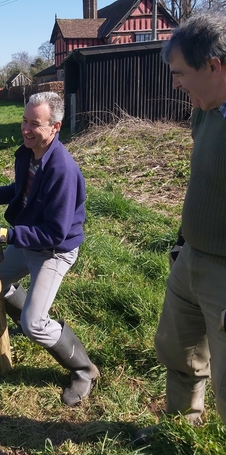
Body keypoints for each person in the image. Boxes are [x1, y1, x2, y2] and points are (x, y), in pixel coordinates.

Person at [136, 14, 226, 441]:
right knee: (179, 351)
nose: (175, 85)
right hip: (190, 256)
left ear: (214, 65)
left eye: (179, 74)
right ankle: (181, 431)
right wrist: (183, 246)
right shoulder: (205, 114)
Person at [0, 91, 100, 406]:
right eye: (24, 120)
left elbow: (54, 233)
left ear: (55, 127)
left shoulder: (62, 170)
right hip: (29, 239)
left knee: (34, 323)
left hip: (53, 249)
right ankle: (30, 322)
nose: (26, 128)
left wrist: (5, 234)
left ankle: (84, 370)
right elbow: (22, 193)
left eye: (35, 124)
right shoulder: (28, 154)